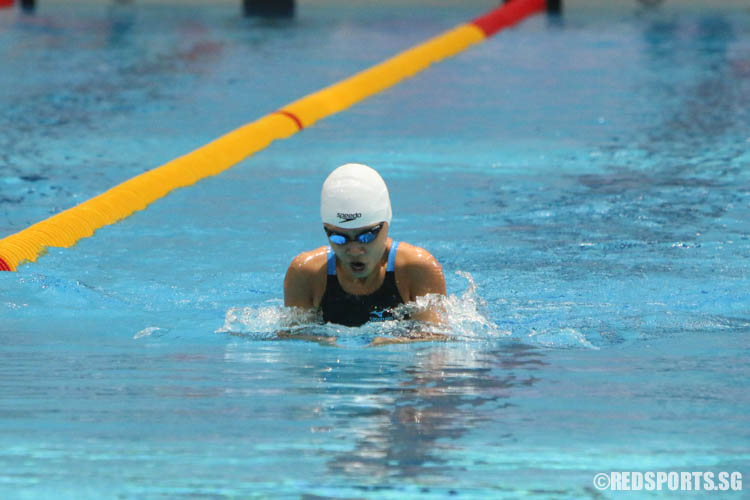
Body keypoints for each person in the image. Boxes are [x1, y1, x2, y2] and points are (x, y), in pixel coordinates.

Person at [283, 163, 446, 335]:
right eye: (338, 237)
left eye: (366, 236)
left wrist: (395, 345)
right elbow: (293, 344)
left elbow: (437, 345)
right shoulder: (306, 274)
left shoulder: (416, 269)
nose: (354, 250)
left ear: (386, 224)